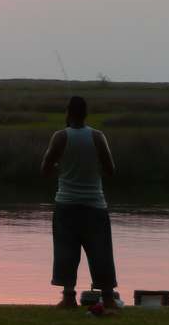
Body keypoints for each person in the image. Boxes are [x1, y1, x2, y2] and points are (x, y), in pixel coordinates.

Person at [40, 96, 118, 311]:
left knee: (66, 252)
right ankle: (109, 299)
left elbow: (44, 169)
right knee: (101, 252)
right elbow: (111, 170)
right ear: (85, 114)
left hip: (66, 205)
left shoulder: (59, 137)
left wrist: (61, 167)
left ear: (68, 112)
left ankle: (68, 298)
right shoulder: (98, 136)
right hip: (95, 205)